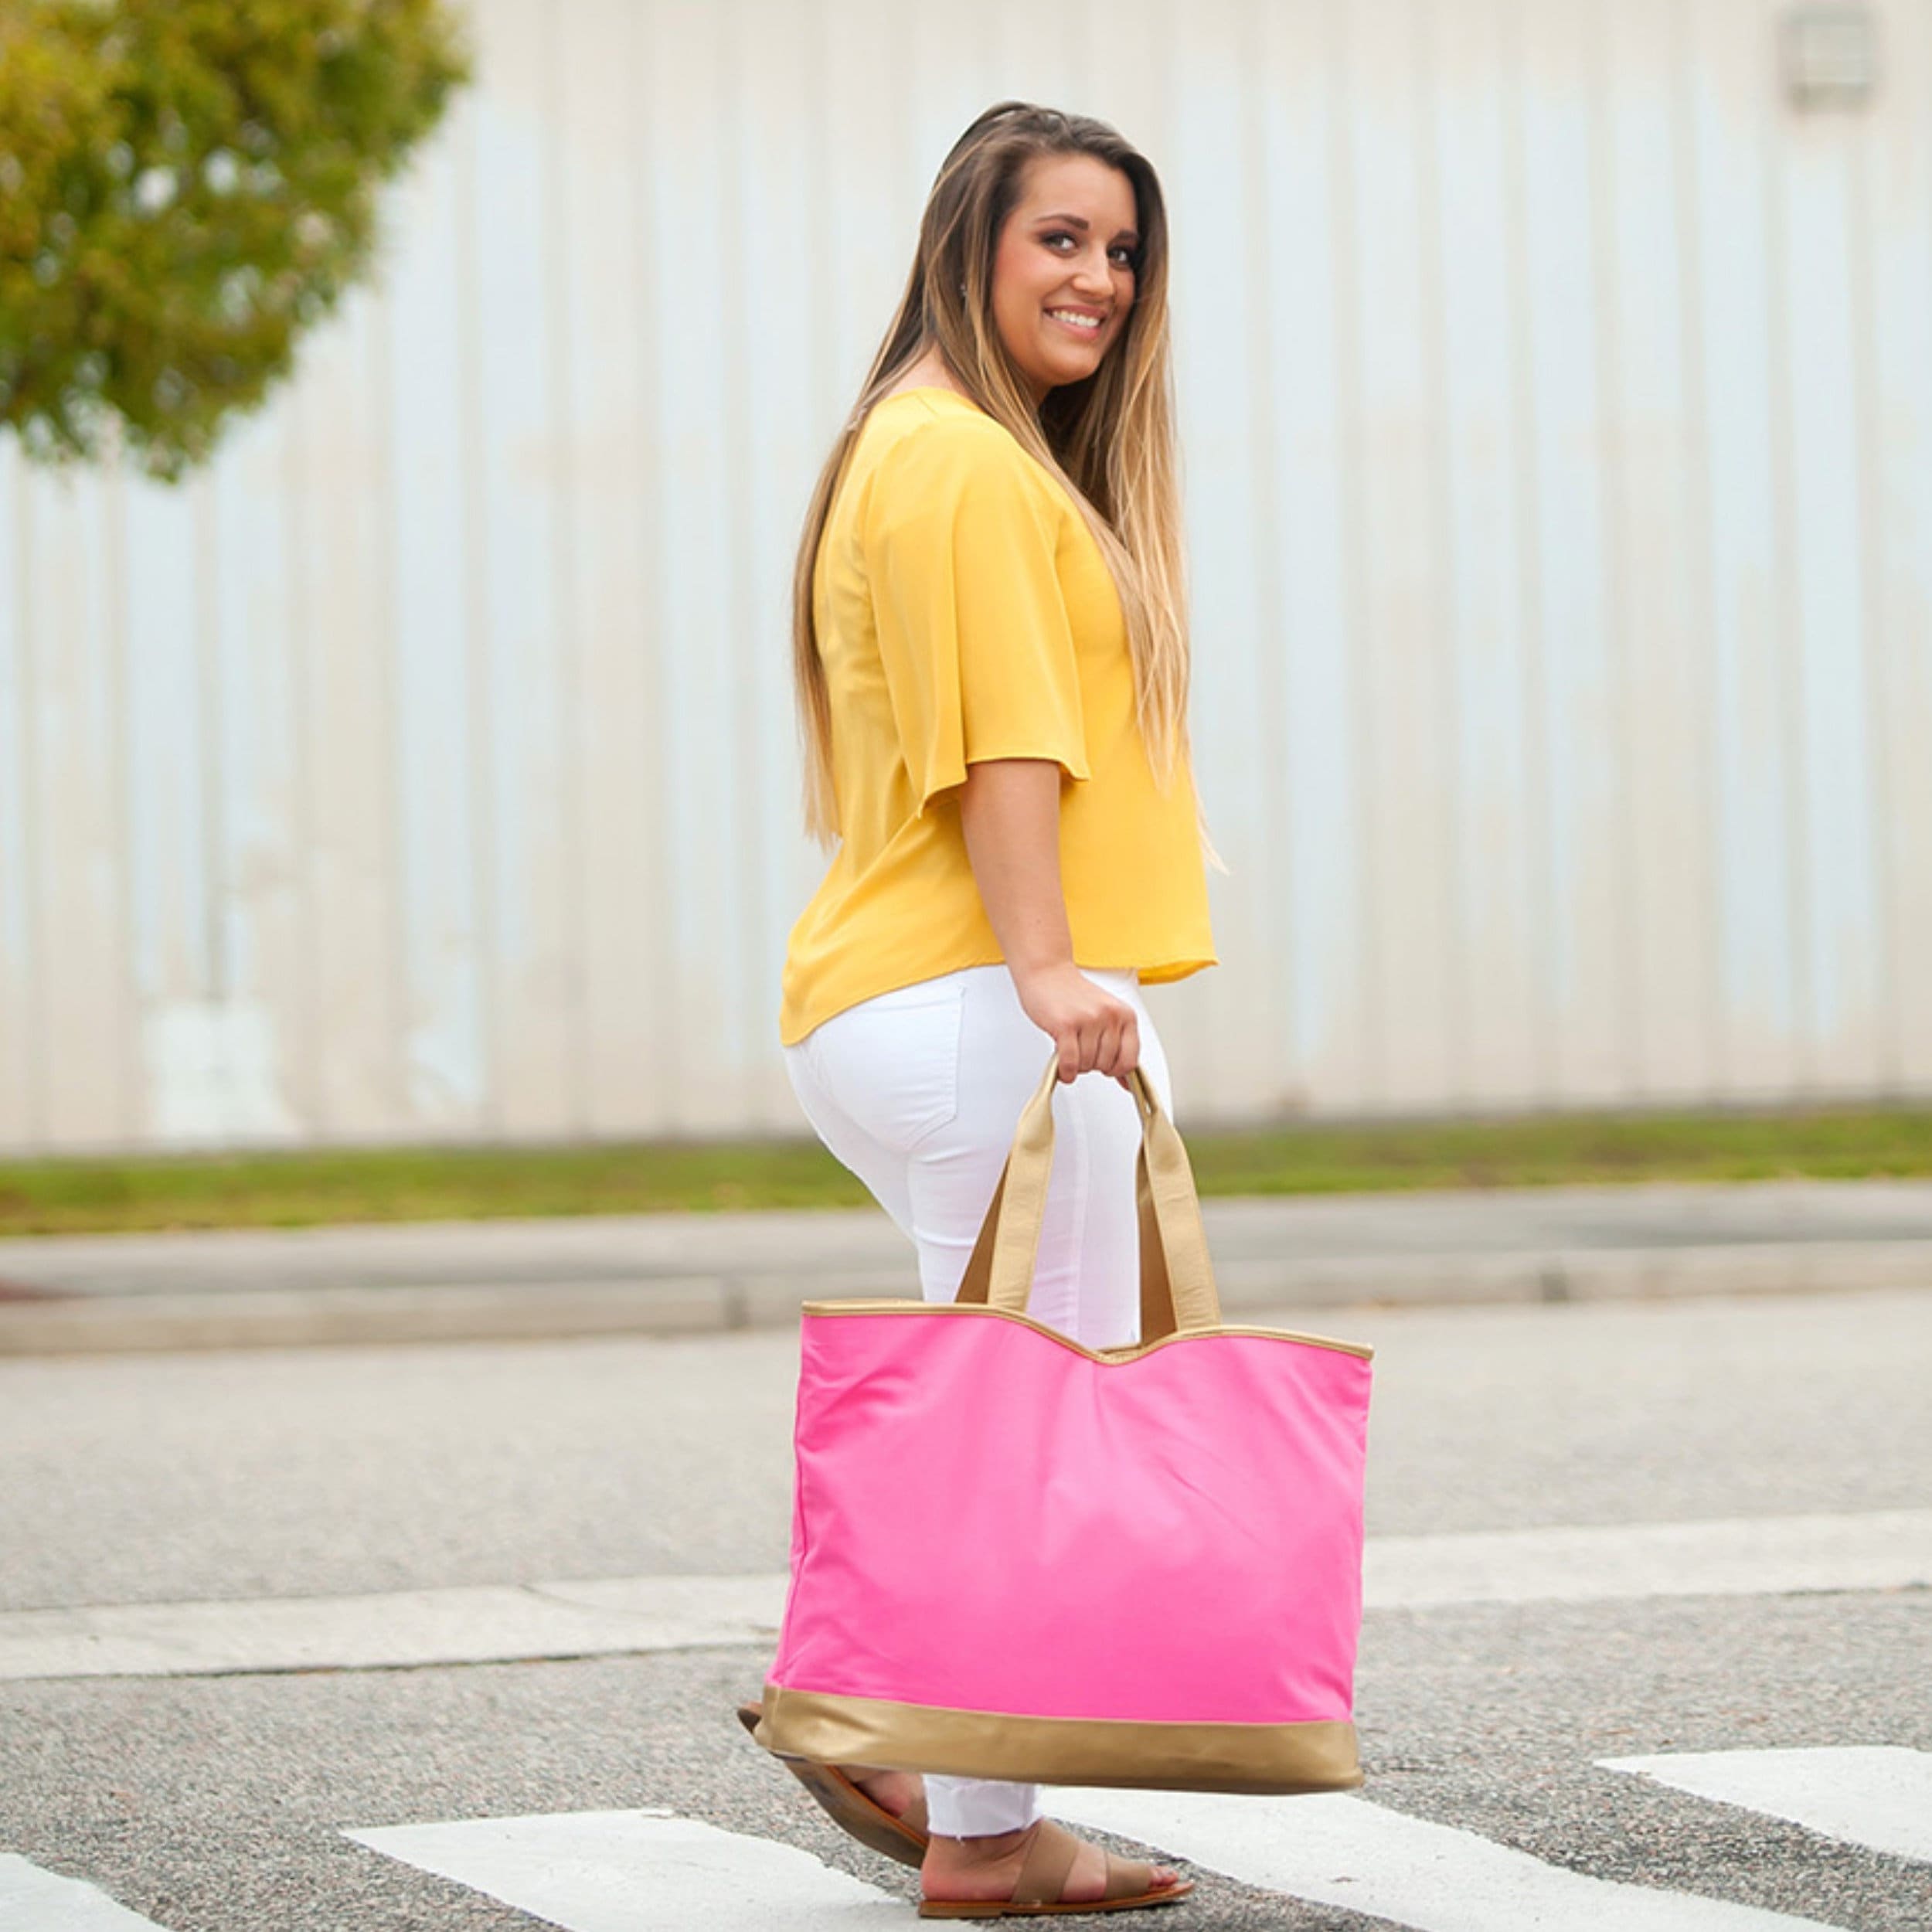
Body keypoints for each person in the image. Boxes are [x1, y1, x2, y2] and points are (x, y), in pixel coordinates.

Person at [749, 99, 1219, 1919]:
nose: (1099, 278)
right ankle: (968, 1821)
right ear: (970, 239)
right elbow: (1002, 747)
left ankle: (938, 1767)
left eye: (1120, 250)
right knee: (1023, 1432)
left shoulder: (934, 449)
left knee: (995, 1416)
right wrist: (1045, 970)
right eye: (1061, 240)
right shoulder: (954, 459)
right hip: (979, 1001)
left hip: (927, 997)